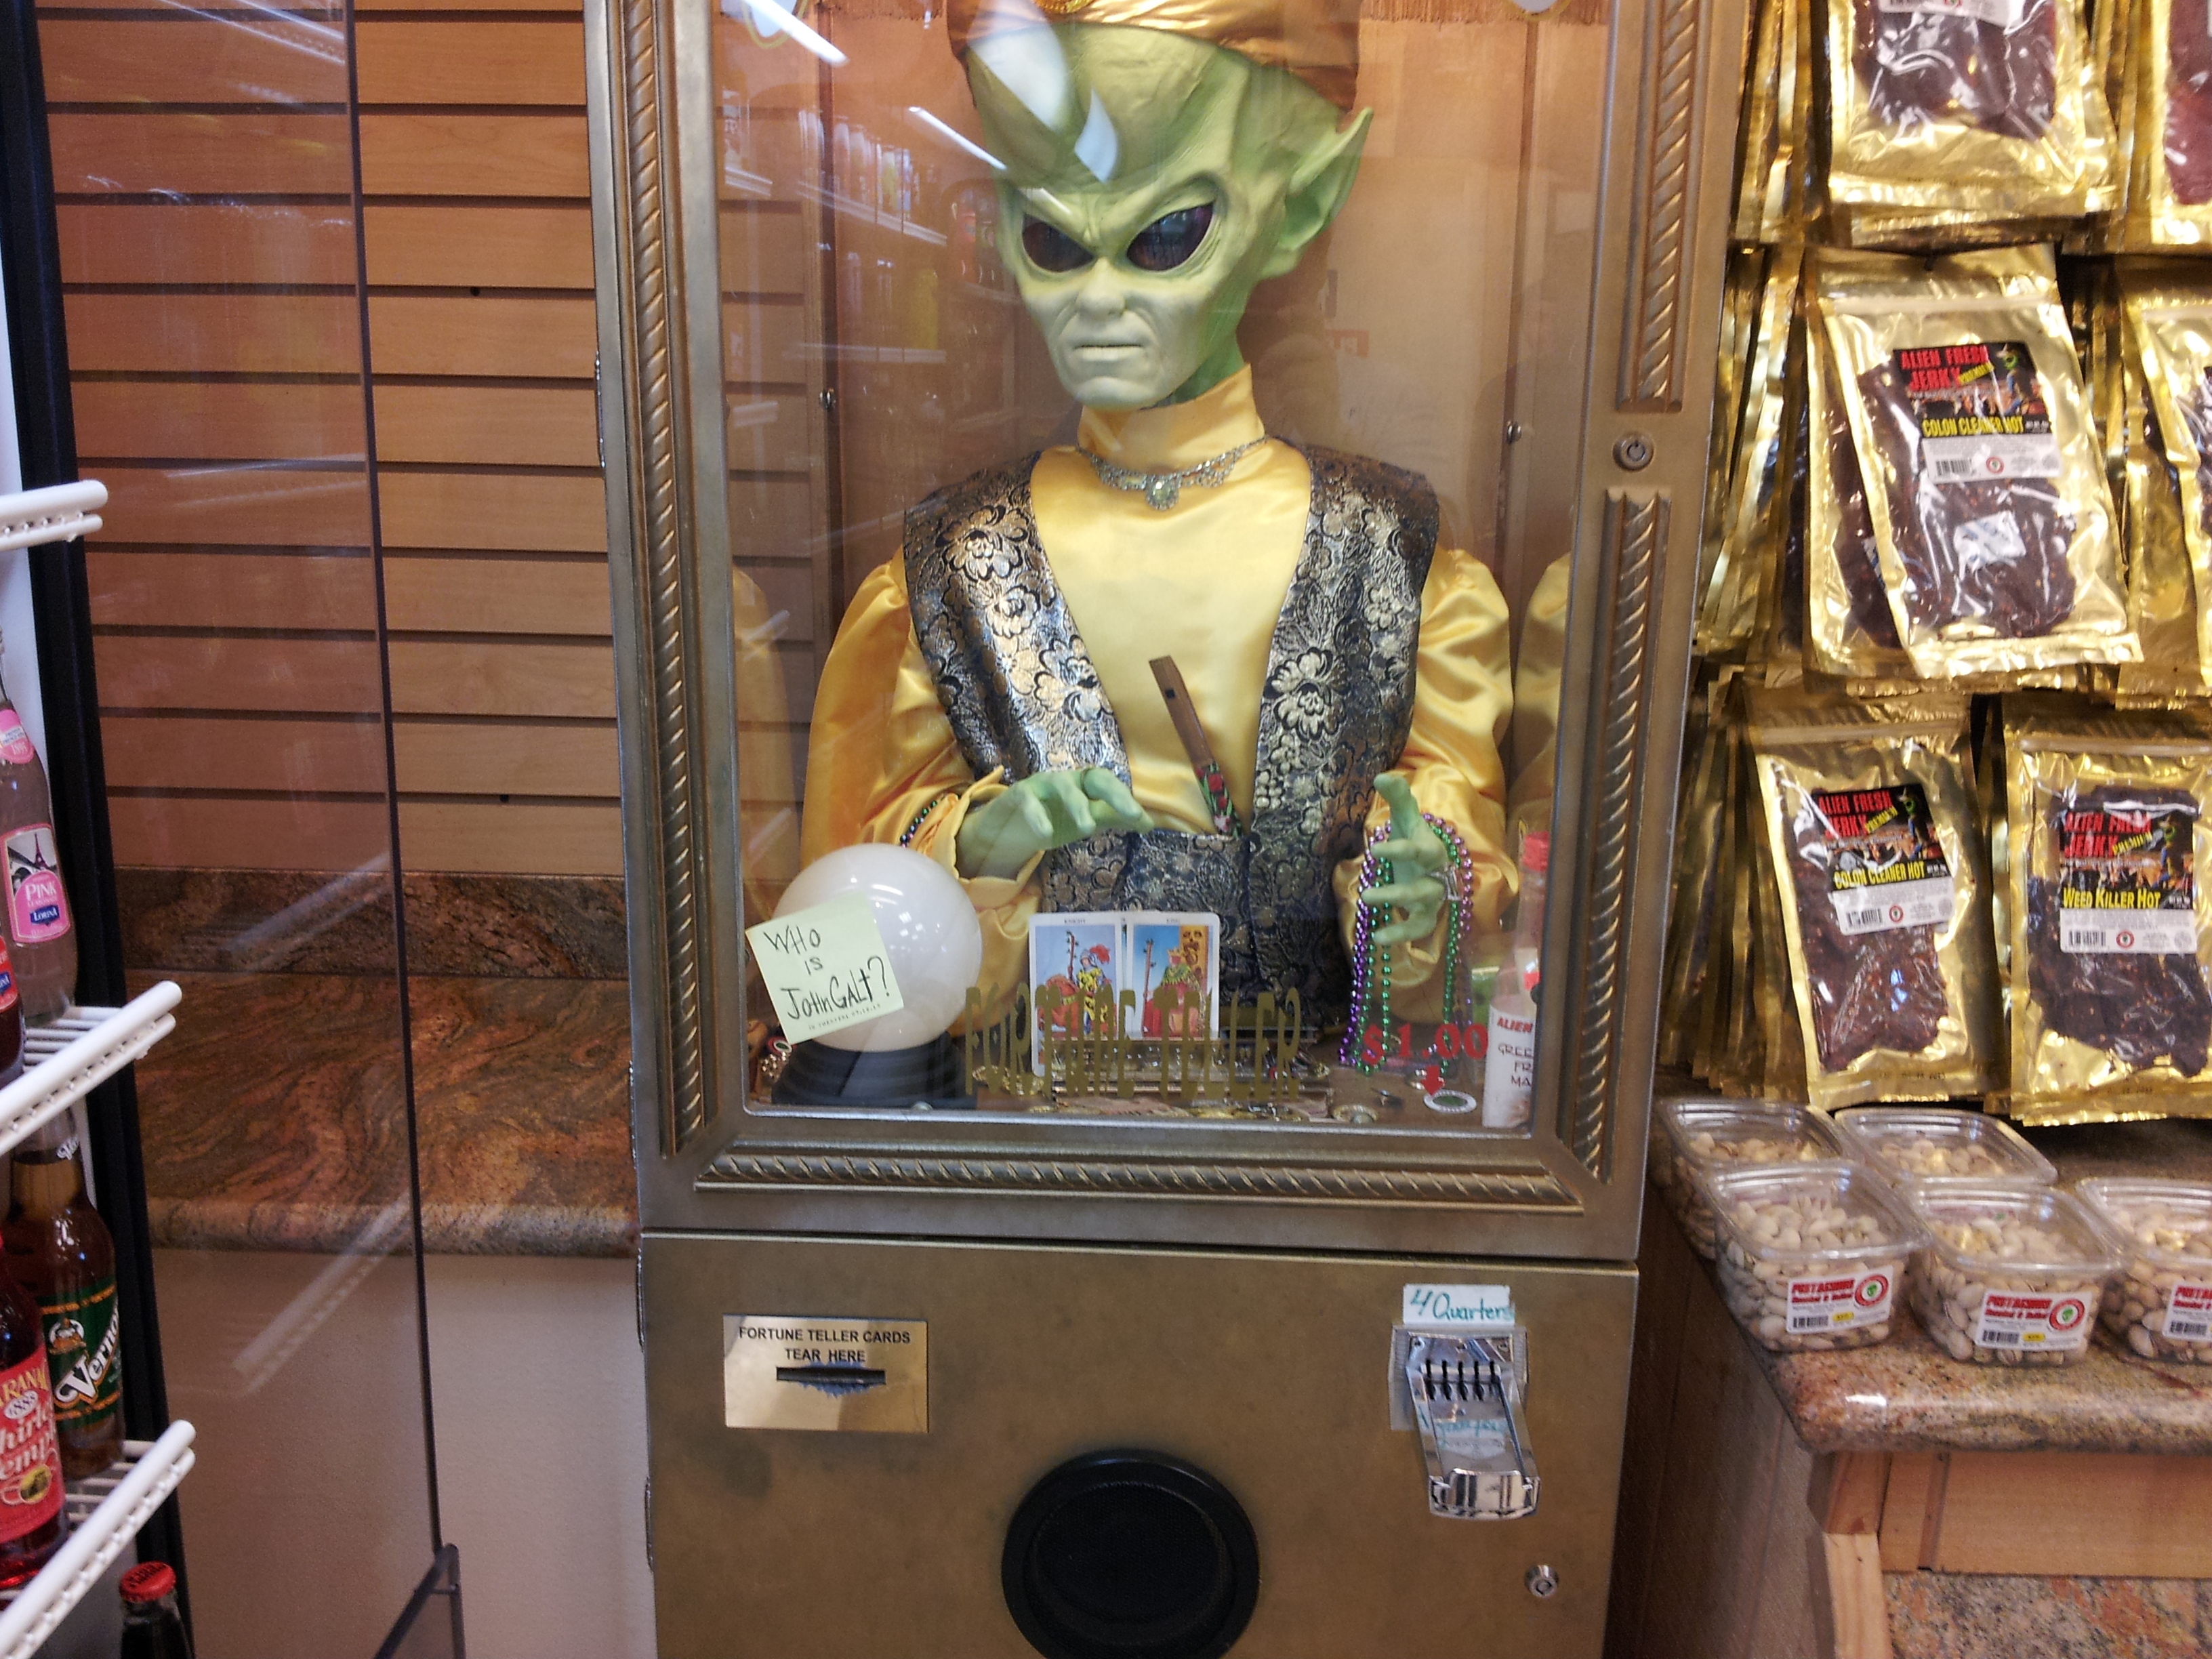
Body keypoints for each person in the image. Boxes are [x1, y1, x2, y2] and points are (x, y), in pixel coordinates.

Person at [801, 0, 1515, 1026]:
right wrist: (974, 845)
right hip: (1037, 1100)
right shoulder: (951, 562)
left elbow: (1456, 867)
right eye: (1052, 239)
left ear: (1303, 201)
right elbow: (833, 952)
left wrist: (1421, 883)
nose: (1098, 300)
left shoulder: (1393, 554)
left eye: (1167, 235)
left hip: (1313, 1103)